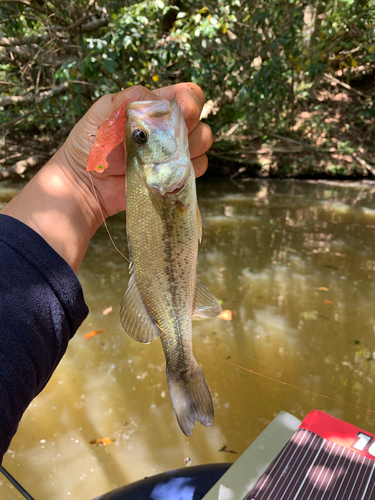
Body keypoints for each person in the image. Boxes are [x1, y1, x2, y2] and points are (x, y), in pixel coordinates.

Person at [0, 83, 213, 462]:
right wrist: (81, 177)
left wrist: (78, 177)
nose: (143, 128)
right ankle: (183, 366)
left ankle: (182, 367)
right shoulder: (168, 185)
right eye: (142, 137)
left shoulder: (165, 184)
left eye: (139, 138)